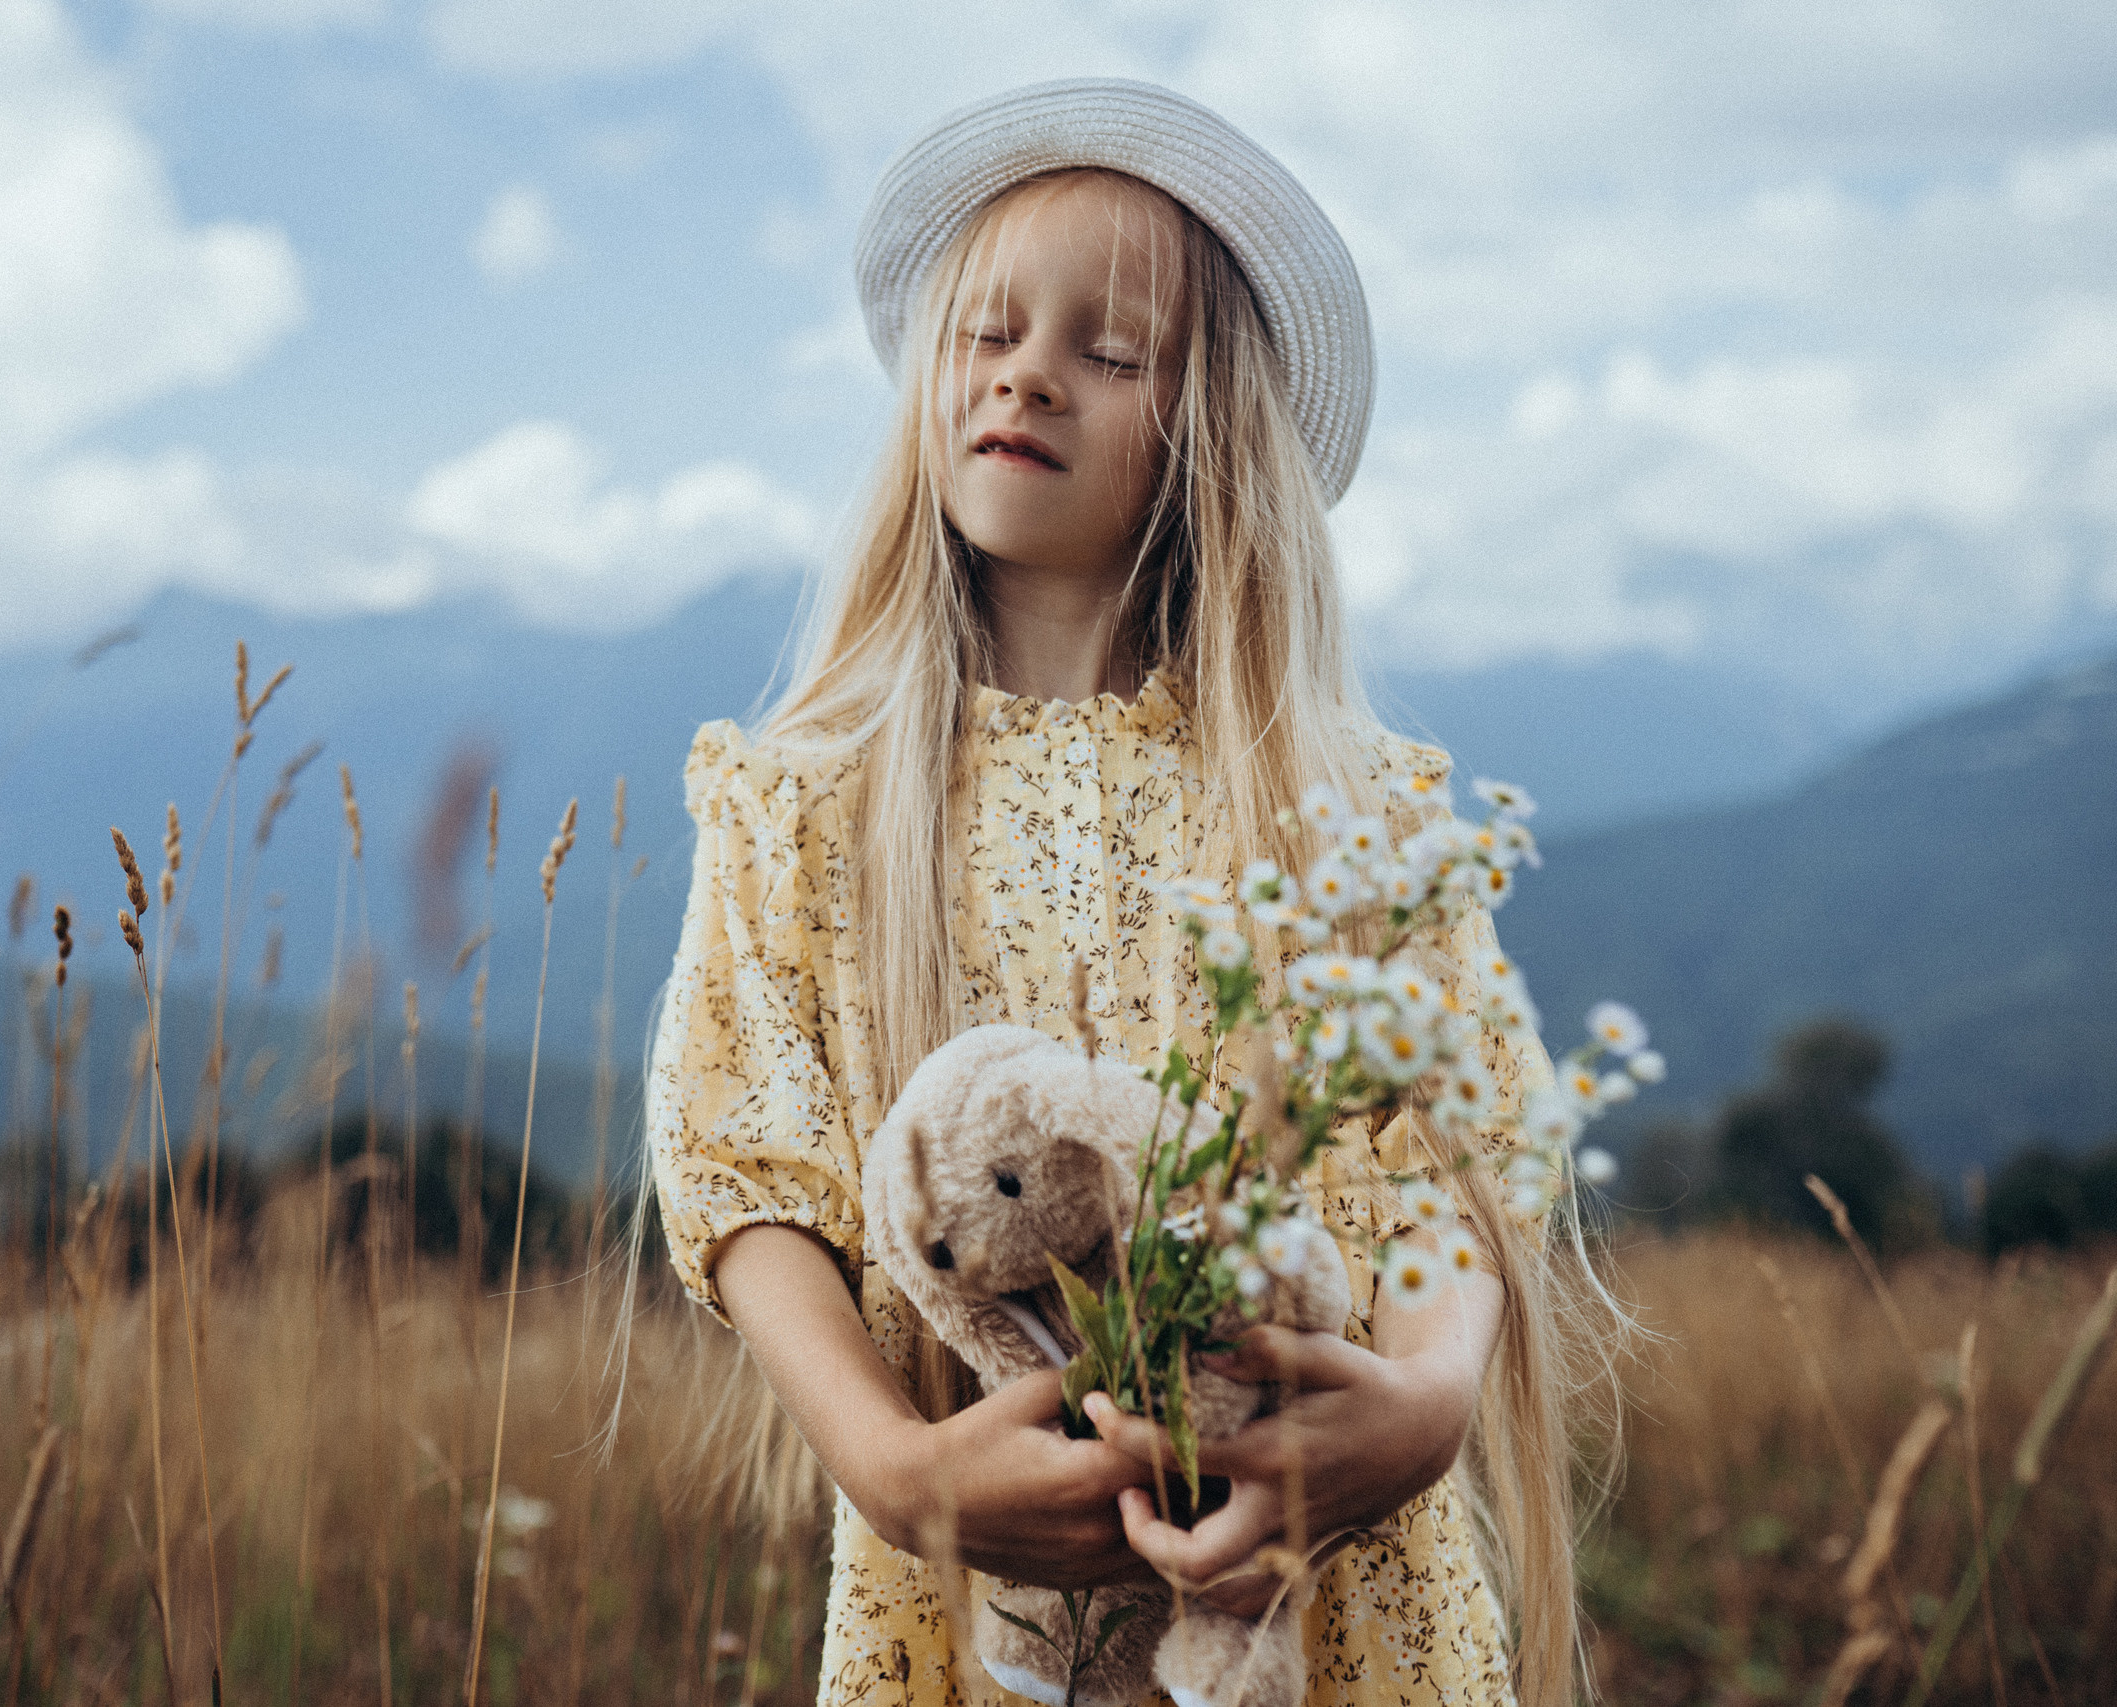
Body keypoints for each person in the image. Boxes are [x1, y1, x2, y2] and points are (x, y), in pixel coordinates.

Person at [646, 78, 1618, 1707]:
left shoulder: (1347, 814)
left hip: (1332, 1593)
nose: (1029, 370)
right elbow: (750, 1163)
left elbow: (1457, 1145)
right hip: (967, 1587)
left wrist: (1430, 1401)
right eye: (988, 332)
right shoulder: (805, 797)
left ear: (1211, 431)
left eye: (1110, 350)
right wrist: (895, 1465)